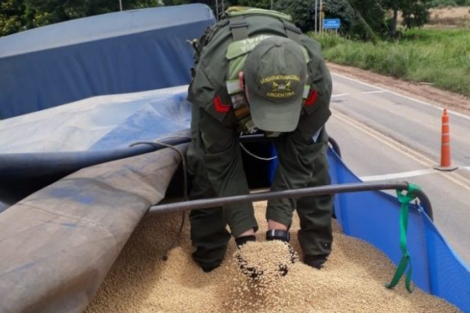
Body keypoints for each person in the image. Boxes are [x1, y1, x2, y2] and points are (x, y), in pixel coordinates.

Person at [186, 7, 334, 273]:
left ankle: (318, 255)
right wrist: (246, 239)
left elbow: (300, 158)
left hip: (292, 91)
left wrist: (278, 230)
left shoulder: (318, 80)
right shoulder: (212, 86)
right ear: (243, 83)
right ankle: (209, 260)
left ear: (306, 82)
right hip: (222, 79)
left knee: (316, 166)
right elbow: (222, 164)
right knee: (204, 167)